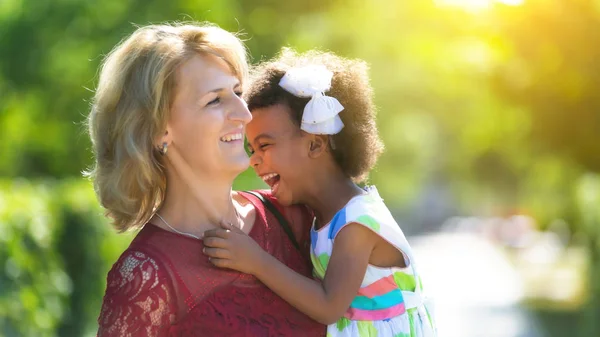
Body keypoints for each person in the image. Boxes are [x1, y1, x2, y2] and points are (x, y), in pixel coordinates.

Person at [86, 23, 325, 336]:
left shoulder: (293, 215)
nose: (244, 113)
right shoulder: (146, 277)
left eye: (238, 93)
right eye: (215, 100)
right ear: (159, 130)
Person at [203, 48, 437, 336]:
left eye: (264, 146)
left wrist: (256, 261)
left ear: (315, 145)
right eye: (252, 149)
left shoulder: (357, 223)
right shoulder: (320, 215)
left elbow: (328, 305)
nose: (253, 159)